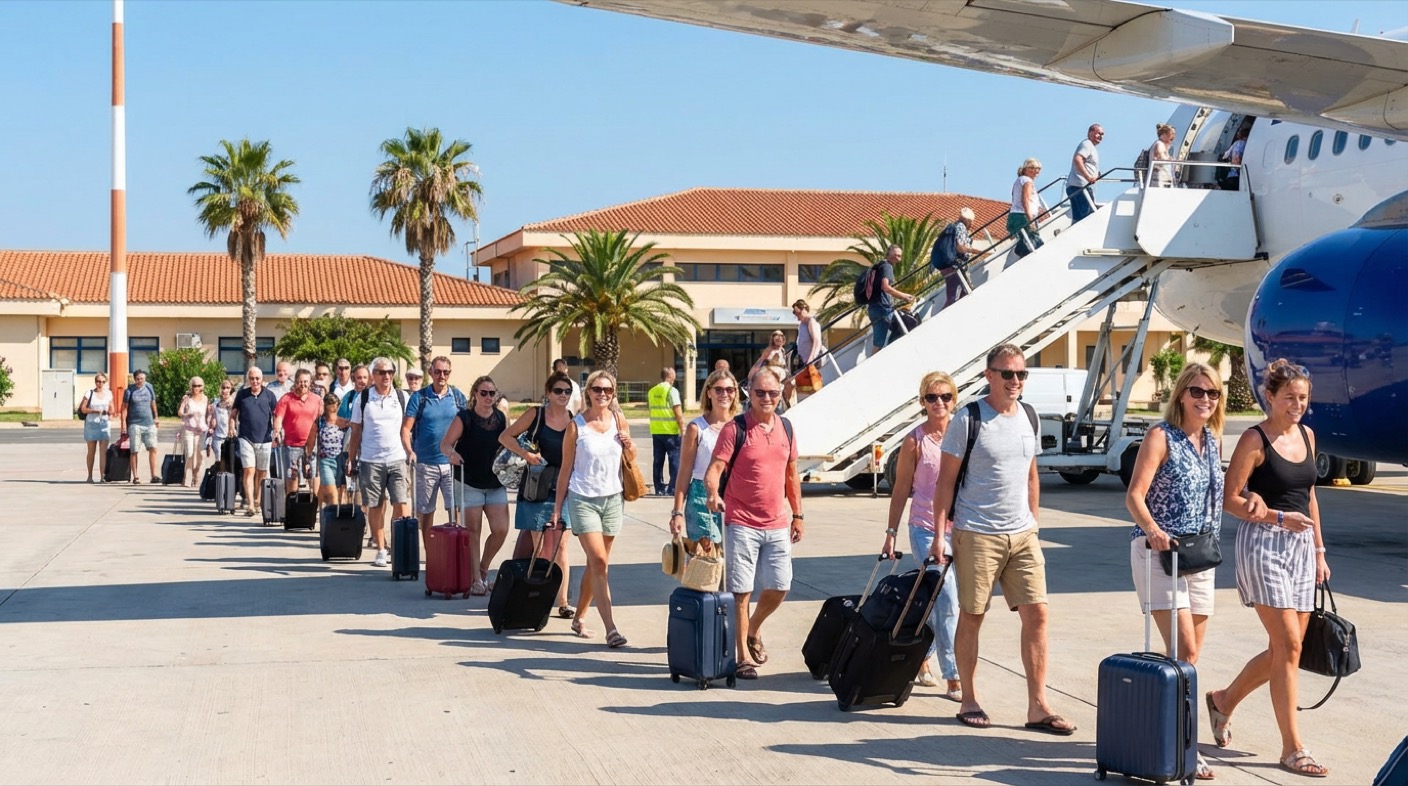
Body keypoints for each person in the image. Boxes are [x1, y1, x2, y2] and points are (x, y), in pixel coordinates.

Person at [931, 344, 1075, 735]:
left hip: (1023, 534)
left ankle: (1038, 706)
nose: (1015, 381)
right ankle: (969, 698)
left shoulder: (1029, 416)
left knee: (1038, 614)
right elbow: (945, 482)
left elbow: (1031, 475)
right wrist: (940, 536)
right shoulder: (969, 418)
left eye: (1021, 374)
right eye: (1007, 373)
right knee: (973, 615)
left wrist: (1034, 524)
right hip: (976, 532)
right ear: (989, 375)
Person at [1206, 360, 1332, 779]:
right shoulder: (1254, 439)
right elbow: (1230, 499)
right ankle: (1292, 748)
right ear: (1271, 397)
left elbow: (1309, 496)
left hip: (1301, 548)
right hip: (1263, 544)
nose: (1297, 405)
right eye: (1289, 397)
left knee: (1286, 649)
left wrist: (1319, 551)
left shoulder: (1307, 436)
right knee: (1289, 645)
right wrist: (1277, 518)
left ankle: (1224, 700)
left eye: (1303, 398)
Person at [1125, 362, 1237, 782]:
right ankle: (1183, 746)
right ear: (1182, 395)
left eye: (1213, 393)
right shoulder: (1161, 436)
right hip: (1161, 554)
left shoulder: (1211, 439)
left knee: (1188, 660)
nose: (1205, 399)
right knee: (1185, 652)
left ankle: (1168, 734)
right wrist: (1154, 531)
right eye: (1197, 391)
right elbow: (1135, 496)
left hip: (1200, 557)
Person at [703, 365, 803, 680]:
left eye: (772, 392)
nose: (767, 398)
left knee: (780, 586)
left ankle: (753, 628)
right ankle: (743, 658)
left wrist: (798, 514)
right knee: (741, 591)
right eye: (760, 392)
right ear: (750, 392)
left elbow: (791, 475)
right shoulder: (735, 429)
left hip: (777, 522)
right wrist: (712, 493)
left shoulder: (787, 428)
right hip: (741, 520)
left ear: (780, 393)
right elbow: (714, 469)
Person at [883, 371, 962, 701]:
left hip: (961, 529)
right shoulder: (914, 440)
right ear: (922, 402)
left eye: (945, 396)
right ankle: (954, 676)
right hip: (924, 529)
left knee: (936, 600)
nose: (938, 402)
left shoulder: (964, 434)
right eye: (931, 397)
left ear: (954, 399)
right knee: (947, 599)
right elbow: (901, 488)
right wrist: (890, 533)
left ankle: (921, 655)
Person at [552, 370, 635, 648]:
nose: (603, 394)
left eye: (608, 390)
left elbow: (630, 458)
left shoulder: (619, 420)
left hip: (613, 499)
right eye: (597, 389)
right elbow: (565, 470)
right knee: (599, 561)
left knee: (596, 564)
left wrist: (629, 446)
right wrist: (557, 508)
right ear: (588, 392)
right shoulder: (576, 426)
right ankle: (611, 628)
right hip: (583, 499)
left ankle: (579, 617)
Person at [498, 371, 577, 618]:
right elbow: (505, 436)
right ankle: (538, 597)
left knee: (561, 545)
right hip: (537, 486)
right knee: (540, 547)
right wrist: (526, 455)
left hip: (564, 488)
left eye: (567, 391)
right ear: (548, 393)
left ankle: (563, 602)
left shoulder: (573, 420)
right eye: (558, 391)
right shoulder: (536, 414)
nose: (563, 395)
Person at [440, 376, 509, 594]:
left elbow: (507, 443)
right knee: (473, 532)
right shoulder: (465, 417)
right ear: (475, 394)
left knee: (501, 529)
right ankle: (475, 580)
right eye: (483, 393)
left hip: (495, 482)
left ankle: (483, 568)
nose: (488, 397)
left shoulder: (501, 418)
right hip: (469, 481)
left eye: (492, 393)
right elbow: (445, 444)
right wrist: (452, 454)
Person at [346, 357, 411, 568]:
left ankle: (398, 546)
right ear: (373, 375)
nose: (386, 376)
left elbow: (407, 428)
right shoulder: (363, 398)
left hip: (397, 458)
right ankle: (381, 548)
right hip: (370, 460)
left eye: (390, 372)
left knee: (401, 504)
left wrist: (411, 451)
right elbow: (356, 431)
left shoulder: (402, 397)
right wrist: (351, 459)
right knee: (375, 505)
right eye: (382, 372)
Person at [669, 368, 741, 545]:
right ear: (709, 392)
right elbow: (684, 472)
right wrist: (677, 512)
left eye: (729, 390)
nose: (724, 394)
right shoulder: (696, 428)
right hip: (701, 497)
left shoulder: (741, 426)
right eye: (719, 390)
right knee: (707, 555)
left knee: (733, 557)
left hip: (735, 497)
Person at [404, 356, 466, 537]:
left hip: (452, 465)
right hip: (425, 464)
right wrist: (409, 451)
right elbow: (405, 429)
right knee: (425, 513)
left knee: (455, 510)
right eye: (437, 371)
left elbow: (467, 425)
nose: (441, 376)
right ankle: (429, 550)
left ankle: (454, 547)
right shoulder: (419, 397)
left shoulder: (457, 397)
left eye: (445, 372)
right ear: (430, 372)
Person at [230, 367, 278, 517]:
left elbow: (276, 416)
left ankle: (257, 499)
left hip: (265, 439)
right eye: (252, 378)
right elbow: (233, 414)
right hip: (246, 438)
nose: (255, 381)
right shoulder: (242, 395)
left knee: (262, 472)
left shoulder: (270, 395)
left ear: (262, 379)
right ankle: (250, 504)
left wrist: (276, 431)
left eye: (257, 378)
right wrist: (231, 427)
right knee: (249, 470)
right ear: (248, 379)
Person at [272, 368, 320, 494]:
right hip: (291, 445)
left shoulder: (316, 399)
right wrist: (277, 431)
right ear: (296, 382)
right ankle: (291, 502)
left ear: (310, 382)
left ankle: (315, 502)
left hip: (311, 445)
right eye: (300, 381)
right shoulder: (286, 399)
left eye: (306, 381)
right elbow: (278, 418)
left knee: (313, 475)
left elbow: (322, 418)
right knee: (292, 476)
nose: (303, 384)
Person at [866, 245, 916, 352]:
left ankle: (887, 351)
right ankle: (890, 352)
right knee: (908, 323)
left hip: (873, 309)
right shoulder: (887, 266)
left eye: (899, 256)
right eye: (895, 255)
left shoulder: (878, 267)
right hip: (882, 309)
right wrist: (904, 296)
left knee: (879, 343)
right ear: (888, 254)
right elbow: (885, 287)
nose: (897, 258)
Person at [647, 367, 685, 497]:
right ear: (671, 376)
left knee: (658, 461)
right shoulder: (671, 391)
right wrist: (683, 428)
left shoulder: (652, 391)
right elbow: (677, 412)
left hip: (656, 431)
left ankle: (659, 488)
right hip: (671, 432)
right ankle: (672, 488)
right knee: (674, 460)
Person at [934, 208, 982, 307]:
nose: (971, 225)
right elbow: (959, 247)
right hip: (955, 266)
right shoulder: (961, 227)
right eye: (971, 222)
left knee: (964, 293)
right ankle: (945, 315)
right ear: (968, 221)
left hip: (948, 265)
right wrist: (974, 251)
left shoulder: (954, 227)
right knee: (953, 297)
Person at [122, 369, 161, 484]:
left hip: (149, 423)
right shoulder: (129, 390)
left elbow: (153, 402)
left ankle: (154, 475)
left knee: (153, 448)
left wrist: (156, 417)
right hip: (134, 423)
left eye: (142, 379)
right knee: (134, 450)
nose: (140, 381)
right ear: (134, 379)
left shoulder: (149, 387)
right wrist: (123, 423)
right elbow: (124, 408)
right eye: (138, 379)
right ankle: (135, 476)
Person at [308, 393, 345, 507]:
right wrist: (308, 460)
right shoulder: (319, 422)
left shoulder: (343, 422)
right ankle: (333, 515)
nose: (333, 407)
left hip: (339, 460)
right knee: (332, 492)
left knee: (328, 490)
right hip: (325, 461)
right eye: (330, 404)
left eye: (335, 405)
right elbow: (311, 441)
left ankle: (319, 510)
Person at [1008, 159, 1047, 259]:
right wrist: (1030, 218)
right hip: (1022, 216)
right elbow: (1025, 199)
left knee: (1026, 240)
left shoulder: (1019, 180)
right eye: (1032, 168)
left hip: (1015, 215)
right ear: (1025, 169)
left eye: (1038, 168)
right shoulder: (1027, 182)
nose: (1036, 171)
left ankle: (1021, 251)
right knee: (1036, 242)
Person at [177, 376, 211, 488]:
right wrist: (187, 414)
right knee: (190, 454)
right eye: (194, 385)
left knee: (199, 456)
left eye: (199, 385)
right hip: (189, 430)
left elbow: (208, 414)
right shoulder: (187, 398)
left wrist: (210, 426)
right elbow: (180, 412)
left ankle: (196, 477)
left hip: (201, 431)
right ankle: (187, 479)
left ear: (203, 386)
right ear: (191, 387)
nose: (197, 388)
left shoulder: (205, 399)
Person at [79, 372, 113, 483]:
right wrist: (96, 411)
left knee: (103, 452)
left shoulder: (108, 394)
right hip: (91, 424)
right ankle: (89, 476)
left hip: (104, 424)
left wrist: (110, 413)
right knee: (91, 451)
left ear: (105, 382)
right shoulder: (89, 393)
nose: (100, 384)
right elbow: (83, 409)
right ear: (95, 382)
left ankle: (102, 476)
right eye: (98, 381)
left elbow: (112, 408)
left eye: (103, 382)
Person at [1066, 123, 1104, 222]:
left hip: (1076, 186)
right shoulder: (1087, 144)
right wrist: (1088, 177)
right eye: (1098, 133)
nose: (1100, 136)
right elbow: (1078, 159)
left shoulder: (1091, 147)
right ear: (1090, 132)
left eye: (1102, 134)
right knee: (1088, 218)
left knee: (1078, 220)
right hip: (1081, 186)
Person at [789, 299, 824, 402]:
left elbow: (817, 341)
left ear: (804, 309)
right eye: (795, 313)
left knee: (812, 388)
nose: (797, 315)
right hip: (802, 362)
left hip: (810, 362)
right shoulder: (801, 325)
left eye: (798, 312)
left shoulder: (811, 321)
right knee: (802, 389)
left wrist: (811, 359)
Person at [208, 378, 235, 465]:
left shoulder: (234, 403)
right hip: (217, 436)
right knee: (219, 460)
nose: (225, 390)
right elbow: (210, 415)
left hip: (230, 437)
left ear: (231, 389)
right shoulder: (216, 402)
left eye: (228, 388)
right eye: (223, 388)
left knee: (230, 461)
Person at [1220, 127, 1250, 191]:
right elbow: (1237, 157)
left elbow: (1225, 156)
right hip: (1242, 176)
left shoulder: (1237, 143)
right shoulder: (1246, 144)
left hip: (1233, 174)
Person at [1148, 123, 1177, 187]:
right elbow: (1161, 156)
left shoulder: (1161, 144)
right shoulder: (1159, 144)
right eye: (1172, 133)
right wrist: (1171, 159)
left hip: (1164, 177)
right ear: (1164, 134)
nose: (1174, 136)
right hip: (1160, 178)